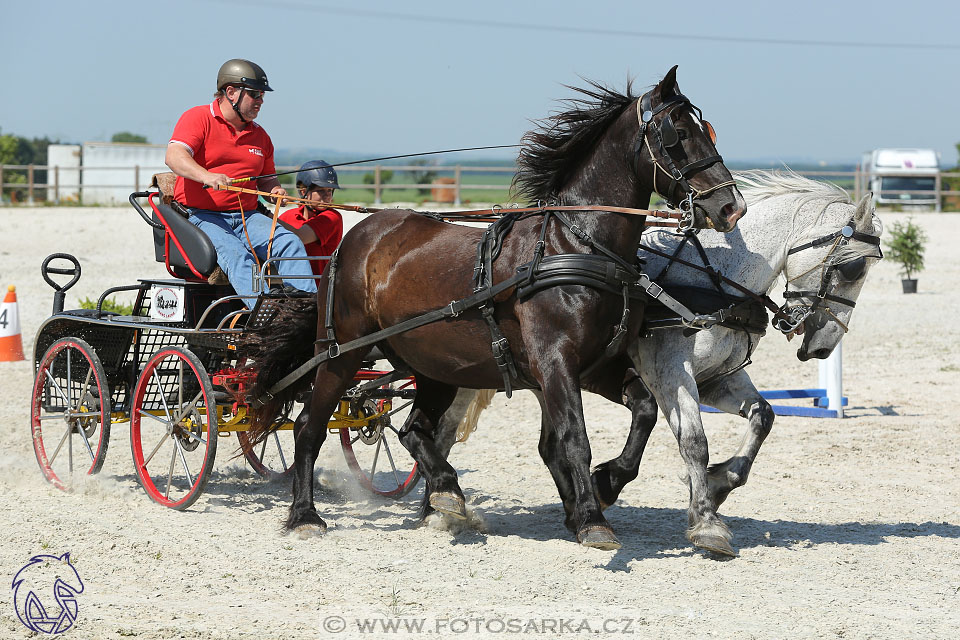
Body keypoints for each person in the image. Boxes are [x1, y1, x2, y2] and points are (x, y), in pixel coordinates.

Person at [164, 58, 317, 302]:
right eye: (255, 94)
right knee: (237, 257)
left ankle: (308, 311)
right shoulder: (198, 118)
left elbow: (266, 180)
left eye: (262, 96)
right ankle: (266, 317)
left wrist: (274, 190)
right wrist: (207, 176)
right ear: (231, 92)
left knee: (290, 243)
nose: (260, 101)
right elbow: (174, 156)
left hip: (248, 216)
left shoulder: (261, 136)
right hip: (203, 215)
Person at [278, 161, 344, 276]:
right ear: (304, 192)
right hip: (288, 285)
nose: (327, 195)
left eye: (330, 190)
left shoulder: (332, 218)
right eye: (321, 190)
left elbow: (300, 237)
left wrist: (267, 215)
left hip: (319, 288)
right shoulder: (288, 216)